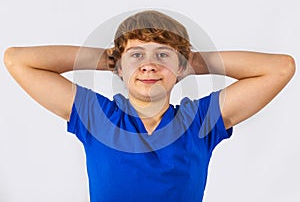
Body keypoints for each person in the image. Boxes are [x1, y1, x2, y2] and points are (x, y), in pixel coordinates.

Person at [4, 10, 295, 201]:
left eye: (162, 56)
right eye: (137, 56)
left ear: (182, 69)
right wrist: (112, 59)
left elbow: (280, 68)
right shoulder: (98, 117)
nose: (149, 66)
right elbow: (17, 60)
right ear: (118, 68)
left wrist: (191, 62)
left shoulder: (200, 123)